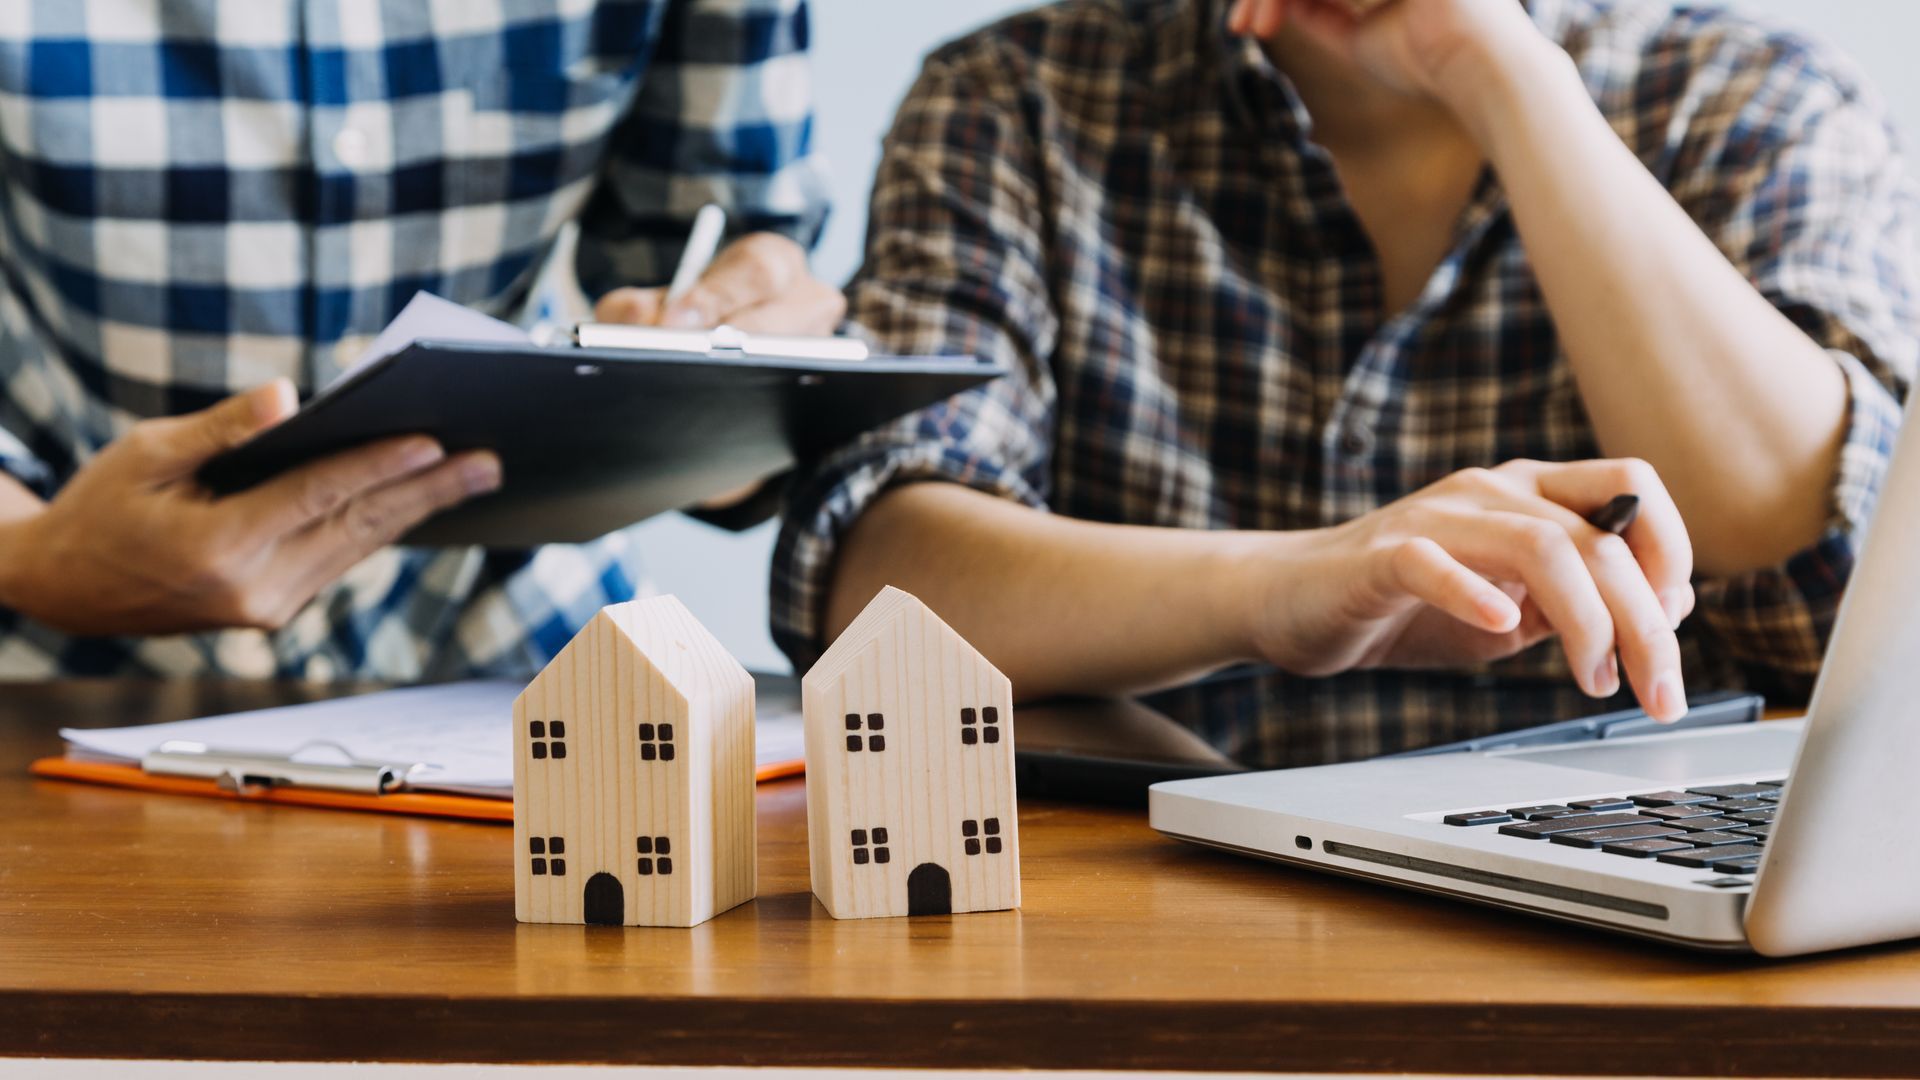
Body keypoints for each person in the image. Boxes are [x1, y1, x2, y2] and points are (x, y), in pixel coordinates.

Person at [771, 0, 1917, 766]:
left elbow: (1837, 582)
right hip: (1153, 930)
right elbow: (878, 583)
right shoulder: (1012, 97)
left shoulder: (1750, 98)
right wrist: (1287, 589)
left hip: (1629, 937)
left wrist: (1505, 75)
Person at [0, 1, 840, 679]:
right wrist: (36, 557)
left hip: (510, 629)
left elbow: (717, 268)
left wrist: (723, 378)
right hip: (53, 642)